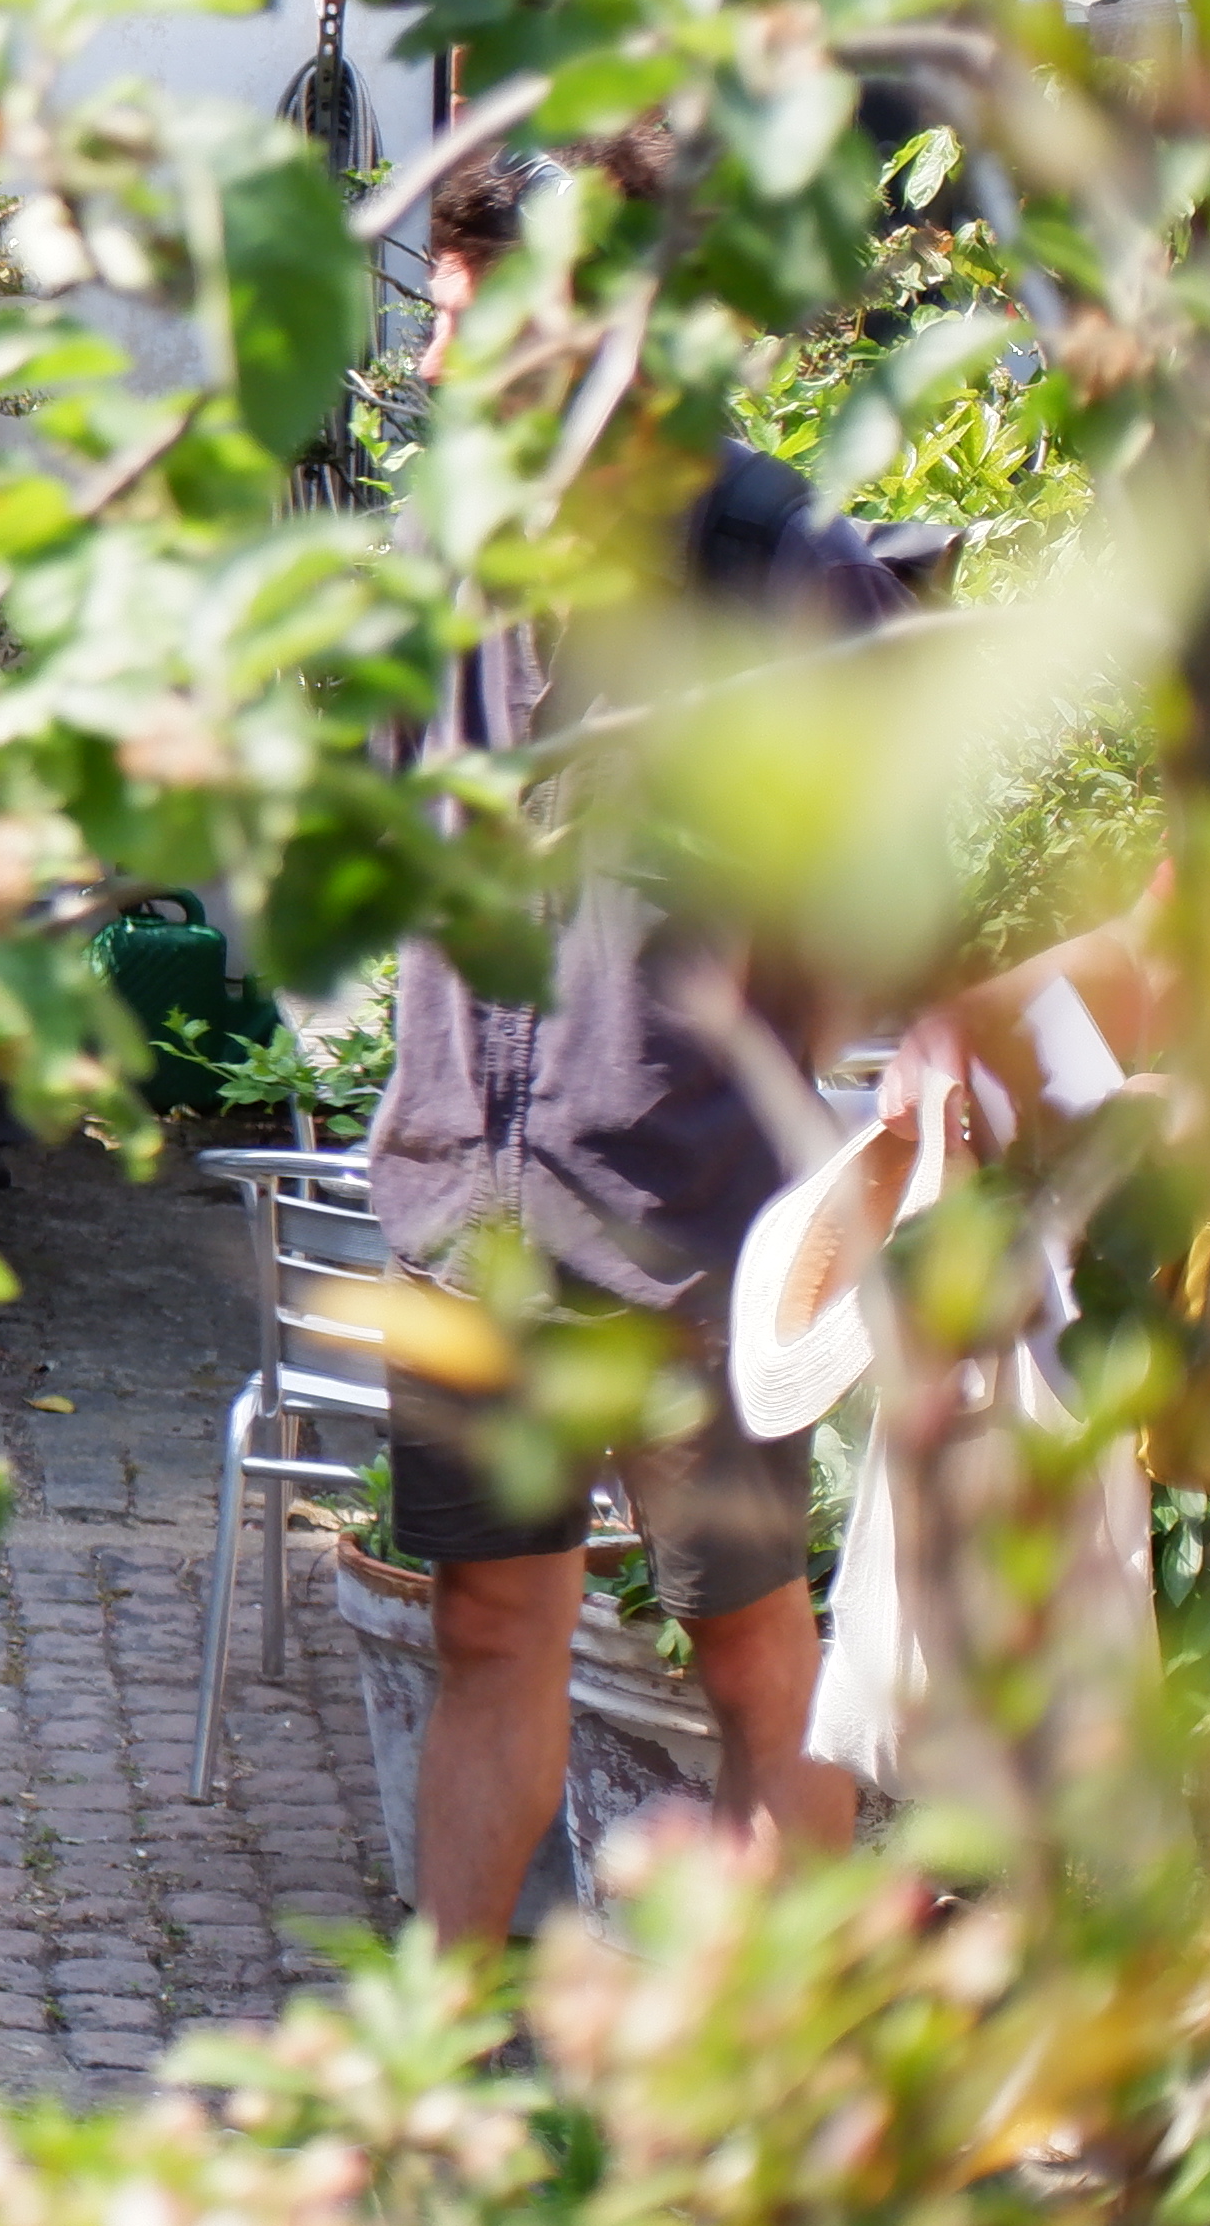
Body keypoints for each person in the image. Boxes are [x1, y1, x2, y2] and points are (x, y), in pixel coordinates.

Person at [373, 140, 891, 1943]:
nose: (434, 373)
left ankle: (781, 2095)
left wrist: (740, 1133)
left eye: (466, 323)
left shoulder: (774, 562)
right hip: (469, 1213)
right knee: (488, 1623)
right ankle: (434, 2066)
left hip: (691, 1228)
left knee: (754, 1648)